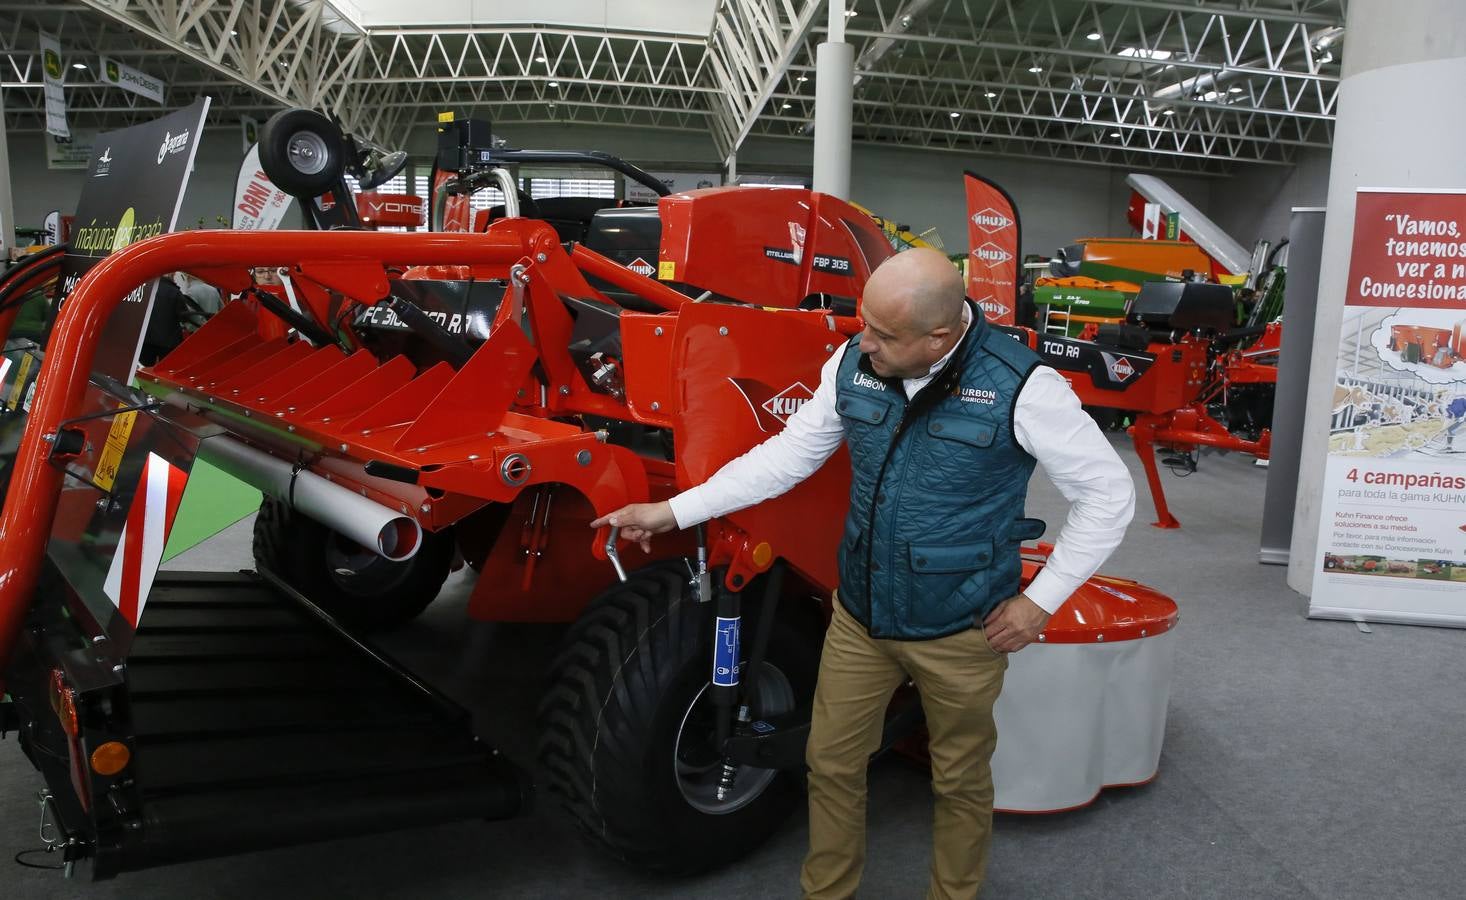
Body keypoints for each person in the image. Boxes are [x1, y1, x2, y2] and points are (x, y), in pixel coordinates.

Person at [592, 247, 1135, 899]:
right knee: (830, 762)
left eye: (883, 334)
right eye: (862, 323)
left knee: (960, 779)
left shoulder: (1023, 388)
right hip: (860, 618)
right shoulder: (854, 363)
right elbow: (786, 458)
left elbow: (1108, 494)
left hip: (963, 629)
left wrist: (1040, 602)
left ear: (939, 336)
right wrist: (671, 512)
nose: (862, 342)